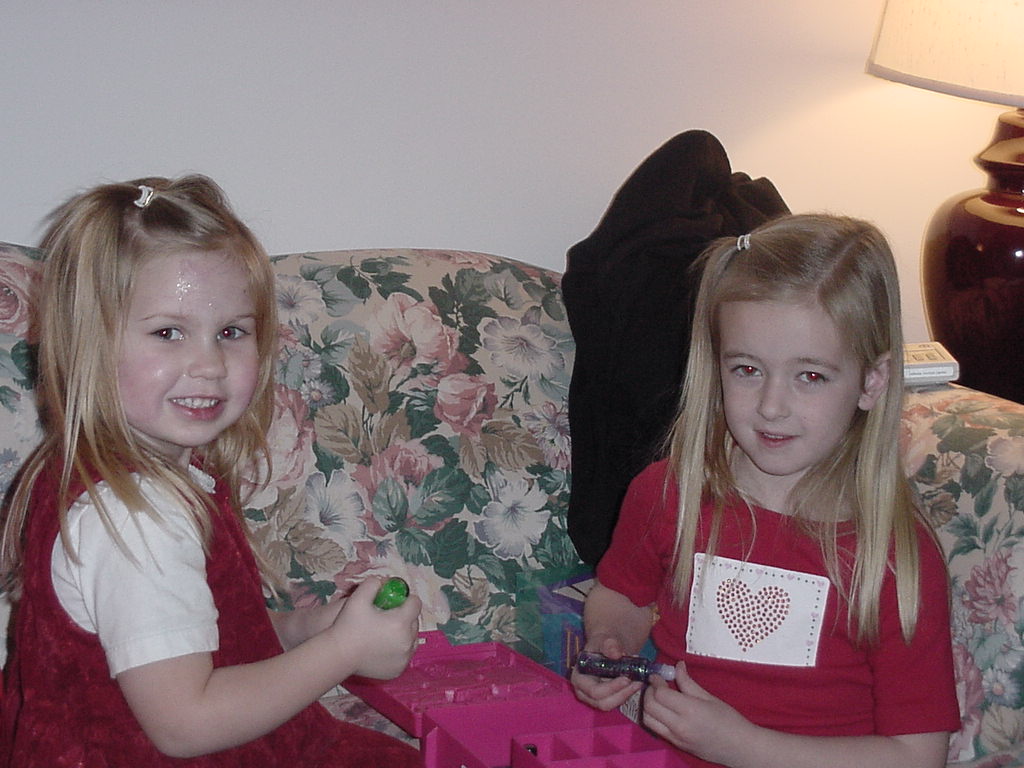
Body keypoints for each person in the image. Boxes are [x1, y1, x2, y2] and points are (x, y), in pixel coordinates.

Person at [0, 175, 424, 766]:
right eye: (168, 332)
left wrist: (309, 631)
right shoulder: (137, 515)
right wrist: (344, 652)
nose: (209, 364)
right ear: (88, 344)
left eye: (230, 332)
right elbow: (185, 724)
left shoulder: (148, 475)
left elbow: (204, 638)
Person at [570, 214, 960, 768]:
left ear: (872, 382)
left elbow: (918, 755)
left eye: (810, 376)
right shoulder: (668, 494)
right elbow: (622, 595)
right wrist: (609, 643)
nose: (771, 406)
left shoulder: (893, 555)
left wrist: (745, 747)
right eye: (748, 369)